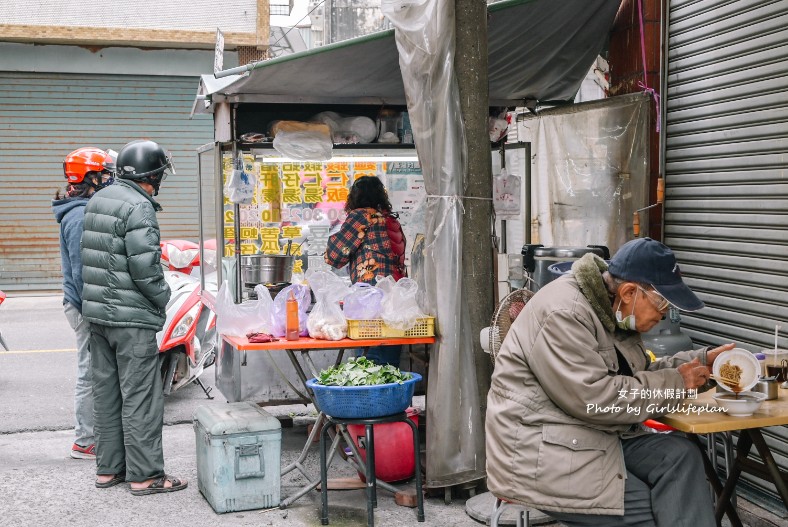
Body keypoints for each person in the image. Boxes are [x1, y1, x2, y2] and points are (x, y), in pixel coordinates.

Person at [486, 237, 735, 527]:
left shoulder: (609, 308)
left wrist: (699, 364)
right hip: (542, 451)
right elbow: (598, 400)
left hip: (591, 435)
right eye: (662, 303)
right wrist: (678, 383)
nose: (666, 314)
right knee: (654, 510)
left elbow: (636, 374)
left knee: (681, 457)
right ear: (630, 292)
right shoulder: (564, 313)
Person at [80, 139, 187, 495]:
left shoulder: (98, 199)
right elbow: (145, 270)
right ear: (151, 175)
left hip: (97, 316)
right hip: (130, 321)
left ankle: (109, 470)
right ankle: (145, 475)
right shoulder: (140, 207)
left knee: (107, 394)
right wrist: (164, 296)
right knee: (140, 396)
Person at [53, 147, 116, 460]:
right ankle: (85, 440)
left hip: (85, 302)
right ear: (88, 176)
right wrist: (97, 310)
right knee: (90, 371)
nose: (107, 178)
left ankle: (94, 433)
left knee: (96, 370)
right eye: (102, 173)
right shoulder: (79, 215)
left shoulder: (83, 208)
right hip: (84, 304)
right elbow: (82, 273)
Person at [325, 176, 406, 366]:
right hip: (396, 301)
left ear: (354, 197)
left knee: (370, 363)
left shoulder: (362, 216)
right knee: (390, 362)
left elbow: (334, 256)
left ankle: (373, 396)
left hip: (371, 302)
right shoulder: (389, 219)